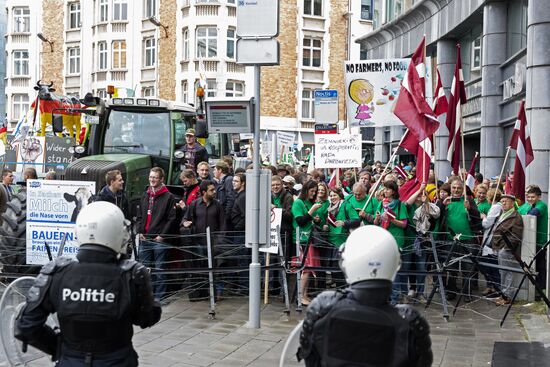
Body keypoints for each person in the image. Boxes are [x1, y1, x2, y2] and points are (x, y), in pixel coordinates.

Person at [15, 201, 161, 366]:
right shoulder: (132, 274)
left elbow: (25, 325)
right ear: (118, 233)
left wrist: (59, 348)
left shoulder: (57, 272)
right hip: (116, 360)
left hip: (70, 360)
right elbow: (146, 318)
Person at [297, 225, 432, 367]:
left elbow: (312, 360)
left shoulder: (323, 308)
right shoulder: (410, 321)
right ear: (395, 263)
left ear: (346, 261)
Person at [136, 167, 177, 300]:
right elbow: (140, 215)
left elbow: (172, 219)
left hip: (159, 239)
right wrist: (139, 231)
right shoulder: (145, 194)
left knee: (160, 271)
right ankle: (147, 297)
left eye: (155, 177)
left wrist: (162, 235)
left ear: (161, 179)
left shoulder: (169, 197)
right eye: (151, 177)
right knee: (145, 271)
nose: (152, 180)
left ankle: (159, 298)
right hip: (144, 238)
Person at [373, 180, 408, 304]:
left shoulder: (400, 205)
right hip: (383, 238)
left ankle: (394, 297)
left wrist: (391, 219)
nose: (385, 191)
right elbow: (375, 222)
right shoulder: (381, 204)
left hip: (396, 240)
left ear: (393, 191)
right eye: (384, 188)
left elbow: (404, 224)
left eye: (387, 189)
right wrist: (377, 217)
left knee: (395, 269)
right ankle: (386, 295)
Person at [292, 180, 322, 305]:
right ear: (306, 190)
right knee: (305, 268)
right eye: (312, 191)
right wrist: (312, 211)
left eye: (315, 191)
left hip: (310, 238)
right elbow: (300, 221)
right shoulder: (298, 203)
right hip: (301, 239)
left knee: (309, 268)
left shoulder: (309, 202)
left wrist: (317, 219)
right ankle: (300, 296)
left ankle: (304, 294)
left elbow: (309, 220)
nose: (314, 193)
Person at [491, 194, 524, 305]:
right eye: (502, 201)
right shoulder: (503, 213)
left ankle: (507, 297)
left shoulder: (516, 217)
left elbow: (515, 237)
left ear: (512, 202)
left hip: (506, 250)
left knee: (506, 272)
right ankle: (503, 295)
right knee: (502, 272)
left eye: (505, 201)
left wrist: (505, 248)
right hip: (499, 248)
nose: (503, 203)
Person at [518, 185, 548, 297]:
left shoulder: (542, 205)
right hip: (527, 241)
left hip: (539, 241)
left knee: (540, 266)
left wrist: (523, 215)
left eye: (533, 197)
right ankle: (530, 289)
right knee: (529, 265)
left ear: (539, 197)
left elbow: (533, 214)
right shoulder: (525, 205)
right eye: (528, 197)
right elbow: (516, 214)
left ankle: (541, 290)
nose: (530, 199)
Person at [271, 176, 294, 261]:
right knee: (272, 258)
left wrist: (276, 208)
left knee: (283, 257)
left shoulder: (288, 197)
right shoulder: (268, 196)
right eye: (273, 185)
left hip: (284, 231)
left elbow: (289, 215)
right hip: (272, 231)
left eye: (278, 184)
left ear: (282, 185)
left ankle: (284, 274)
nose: (275, 187)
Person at [213, 161, 235, 231]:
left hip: (227, 217)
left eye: (215, 170)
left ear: (220, 170)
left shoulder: (228, 179)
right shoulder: (222, 181)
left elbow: (231, 198)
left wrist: (226, 215)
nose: (213, 172)